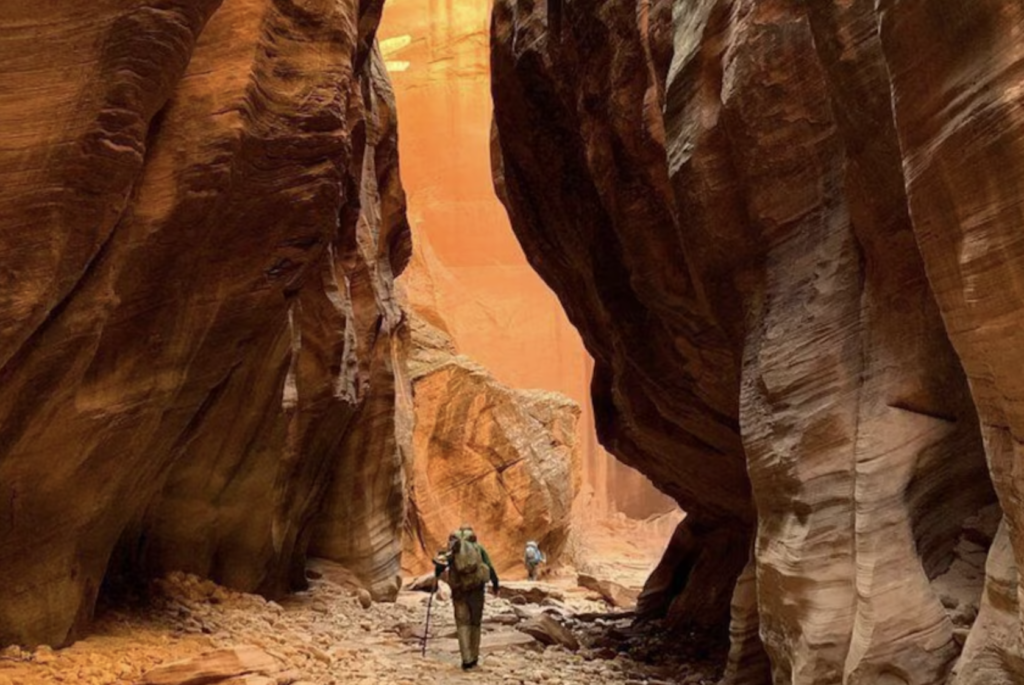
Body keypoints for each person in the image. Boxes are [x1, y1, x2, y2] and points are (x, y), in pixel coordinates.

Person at [434, 525, 499, 670]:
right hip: (477, 590)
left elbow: (440, 565)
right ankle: (474, 658)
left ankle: (466, 660)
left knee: (462, 624)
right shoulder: (479, 549)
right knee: (475, 624)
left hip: (459, 591)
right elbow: (490, 567)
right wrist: (495, 584)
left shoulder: (453, 550)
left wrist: (437, 573)